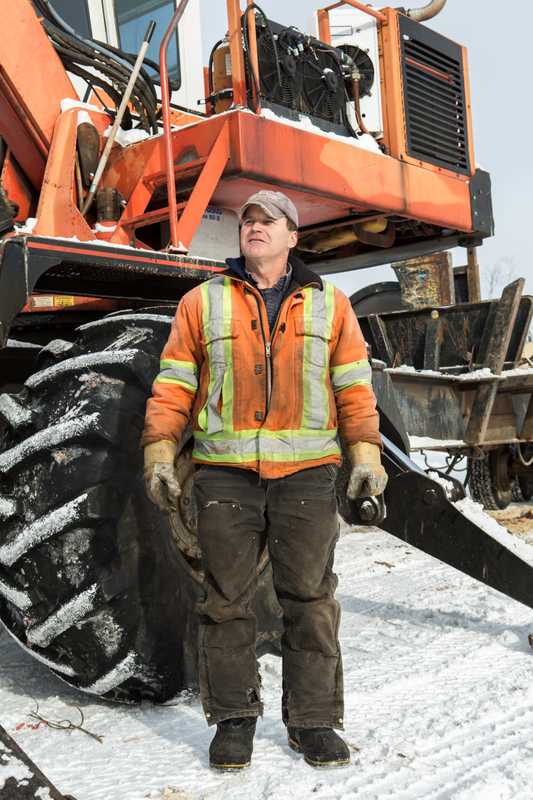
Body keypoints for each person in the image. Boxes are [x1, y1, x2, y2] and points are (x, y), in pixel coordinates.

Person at [142, 190, 387, 770]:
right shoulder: (202, 302)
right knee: (226, 601)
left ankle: (314, 722)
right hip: (226, 477)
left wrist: (366, 456)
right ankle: (232, 720)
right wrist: (158, 451)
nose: (255, 227)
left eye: (268, 221)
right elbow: (174, 383)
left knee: (310, 600)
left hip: (306, 476)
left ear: (292, 237)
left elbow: (354, 388)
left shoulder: (332, 305)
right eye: (248, 220)